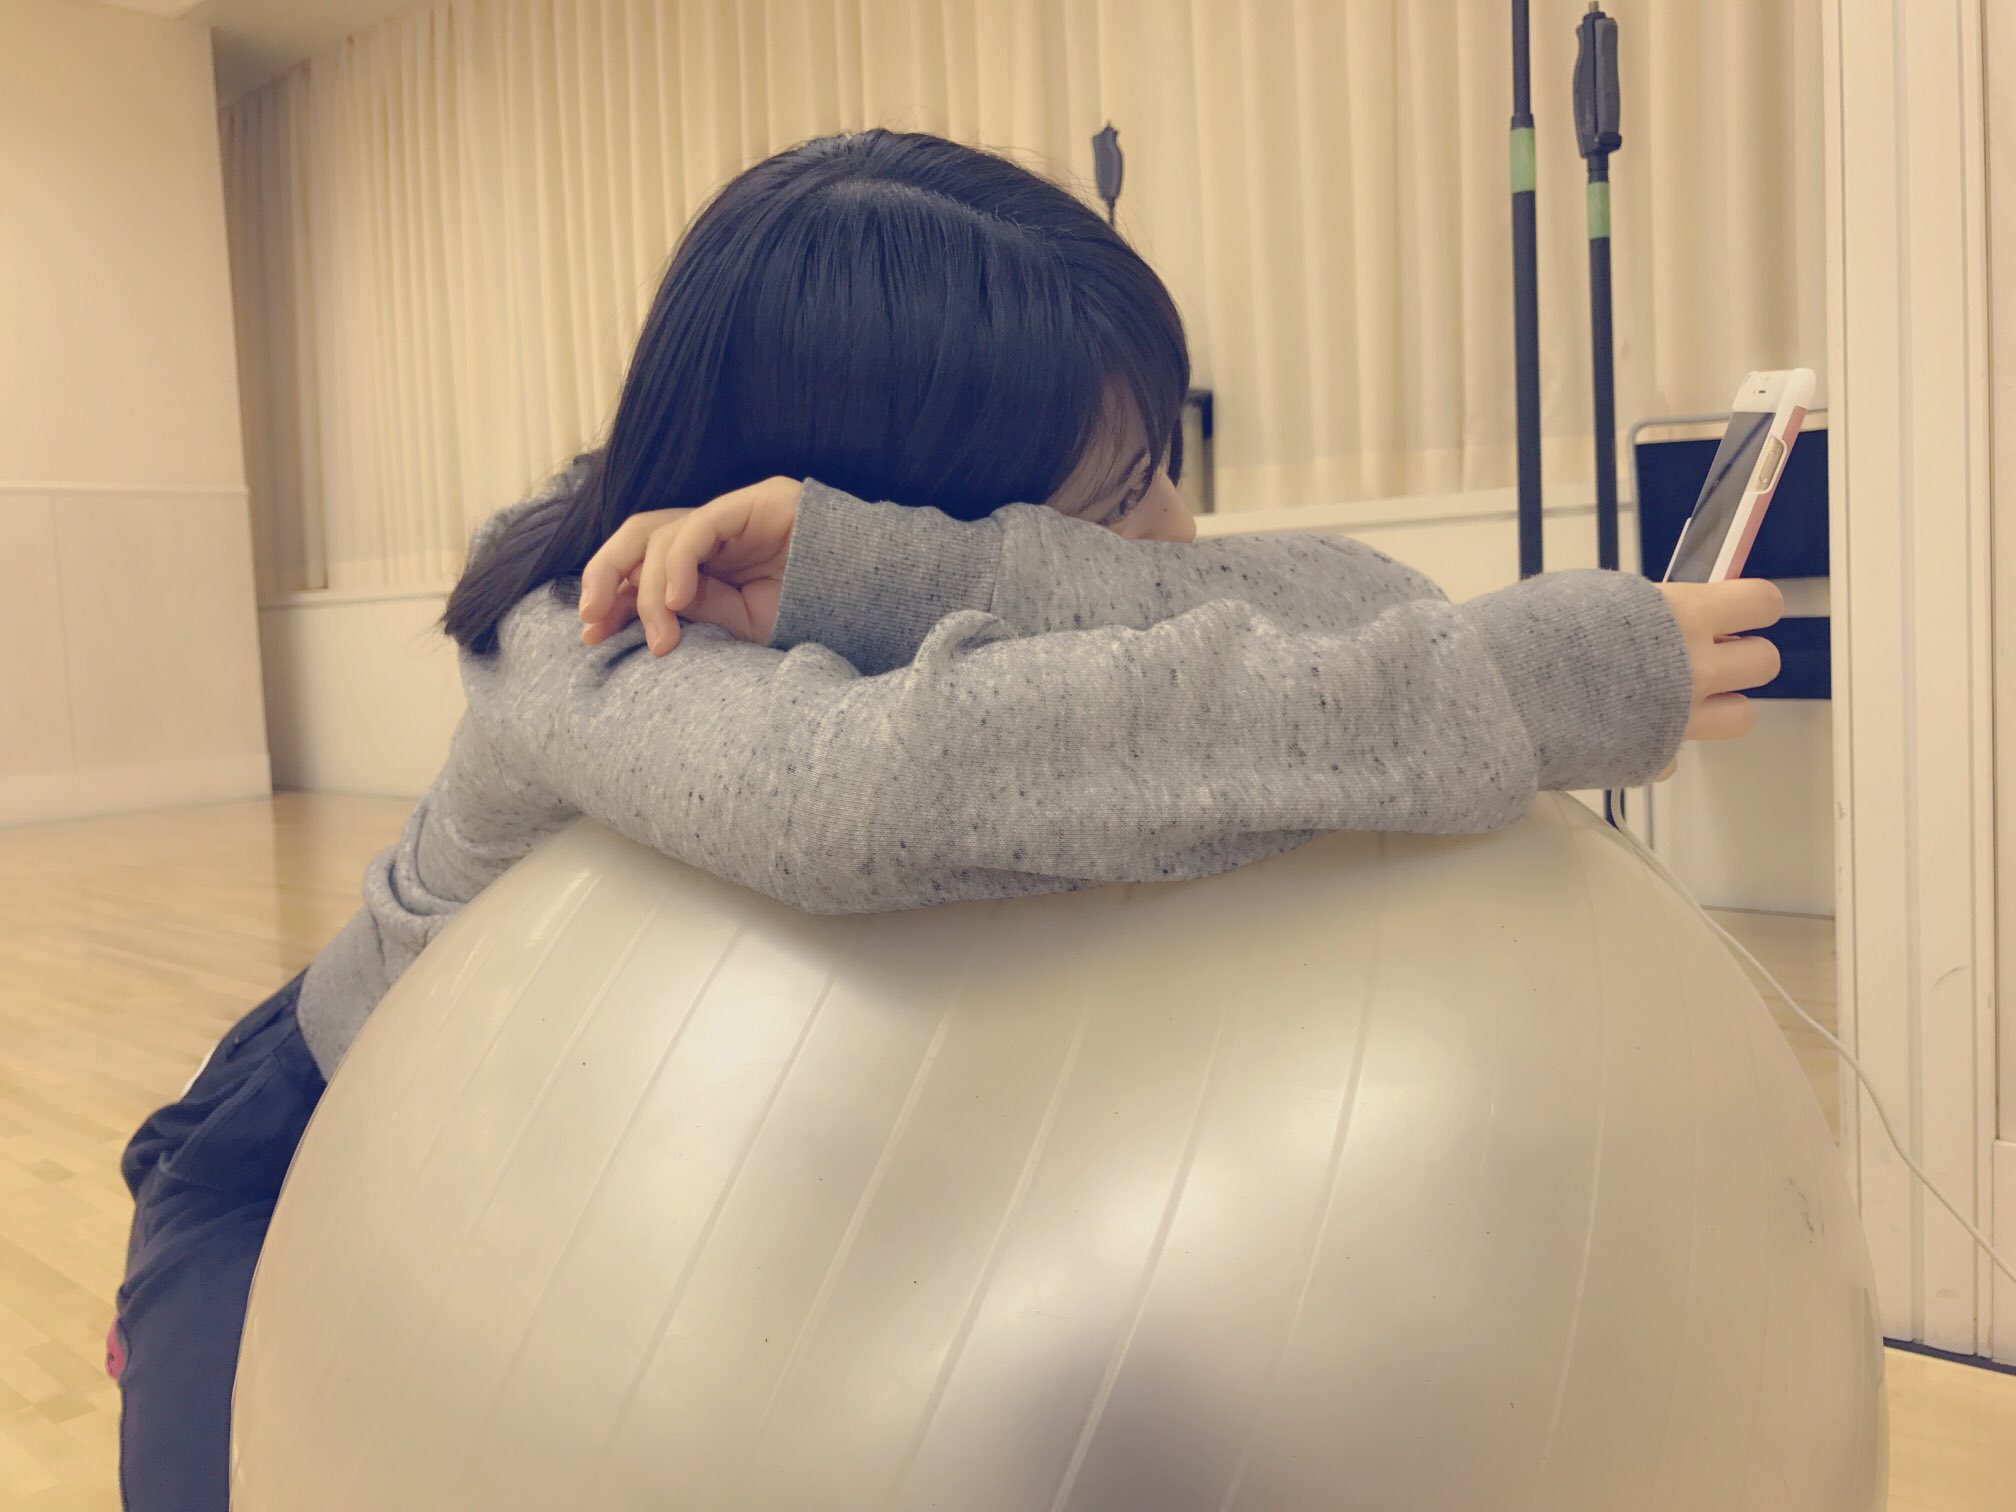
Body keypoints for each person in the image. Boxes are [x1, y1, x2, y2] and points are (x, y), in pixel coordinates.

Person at [110, 128, 1779, 1511]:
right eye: (1121, 495)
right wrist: (1516, 685)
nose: (1182, 537)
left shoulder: (858, 555)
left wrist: (891, 563)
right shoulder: (598, 624)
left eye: (1159, 466)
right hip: (297, 1152)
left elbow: (1350, 590)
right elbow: (859, 790)